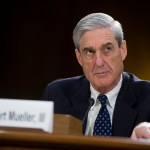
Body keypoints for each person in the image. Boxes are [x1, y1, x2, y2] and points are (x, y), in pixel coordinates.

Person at [42, 12, 150, 139]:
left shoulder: (147, 97)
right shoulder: (57, 94)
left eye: (107, 49)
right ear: (79, 57)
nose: (99, 62)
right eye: (89, 52)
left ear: (123, 50)